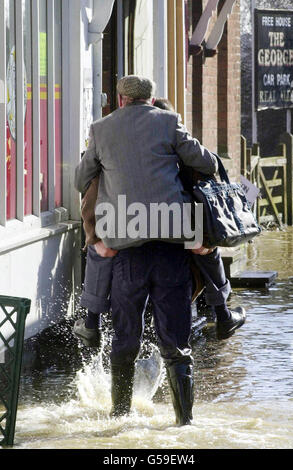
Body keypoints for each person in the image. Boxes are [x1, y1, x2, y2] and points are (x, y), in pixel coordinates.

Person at [74, 75, 245, 424]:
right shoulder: (168, 122)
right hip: (171, 244)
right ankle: (185, 423)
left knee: (125, 336)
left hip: (126, 246)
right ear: (151, 101)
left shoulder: (101, 128)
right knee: (176, 342)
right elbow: (207, 164)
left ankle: (119, 417)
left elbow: (81, 180)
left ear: (121, 100)